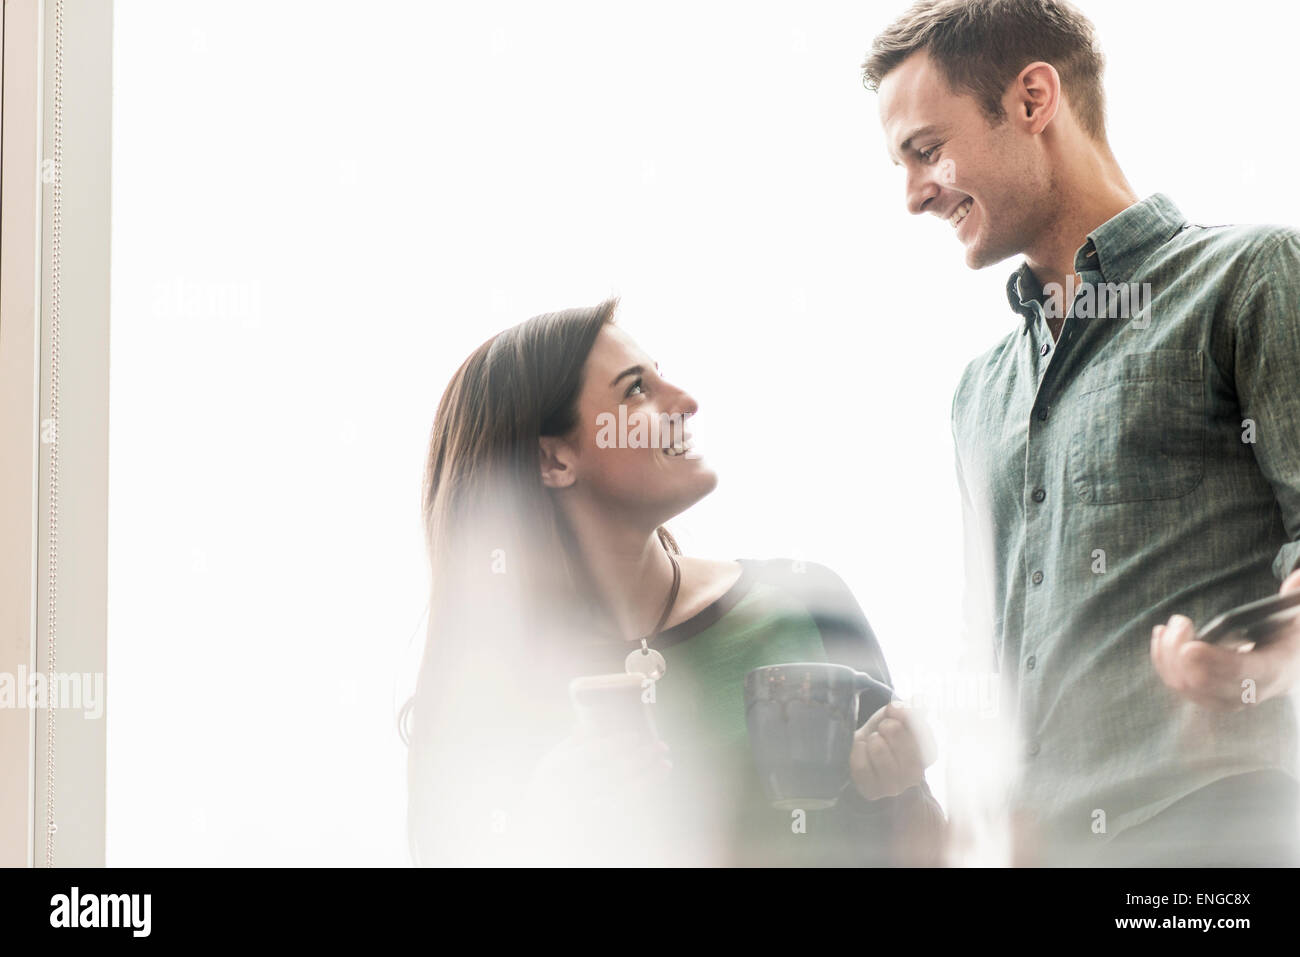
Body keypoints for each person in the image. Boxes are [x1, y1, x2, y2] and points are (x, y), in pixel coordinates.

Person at [862, 0, 1300, 866]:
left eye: (926, 151)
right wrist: (926, 728)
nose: (914, 195)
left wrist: (1271, 657)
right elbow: (1002, 637)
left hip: (1206, 848)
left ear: (1032, 100)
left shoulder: (1250, 279)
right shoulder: (977, 393)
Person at [405, 299, 946, 866]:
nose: (687, 403)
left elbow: (925, 851)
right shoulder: (490, 694)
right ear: (554, 460)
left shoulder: (808, 604)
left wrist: (893, 791)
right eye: (635, 390)